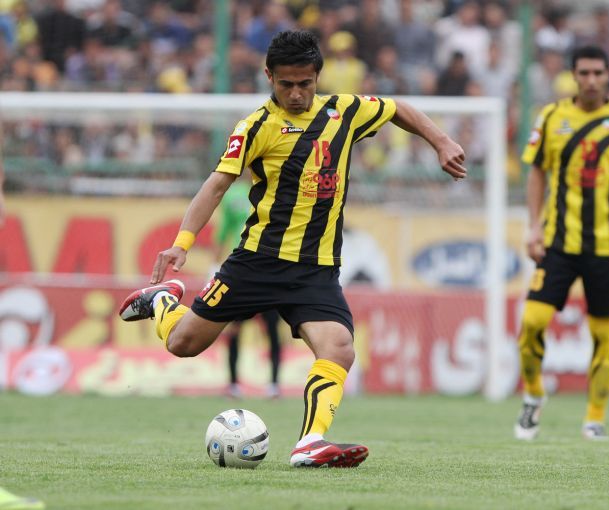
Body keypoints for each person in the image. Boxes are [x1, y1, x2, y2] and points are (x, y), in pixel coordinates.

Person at [118, 30, 466, 467]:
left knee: (339, 348)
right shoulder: (256, 127)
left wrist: (441, 141)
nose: (297, 93)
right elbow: (217, 184)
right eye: (287, 84)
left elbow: (398, 109)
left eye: (305, 83)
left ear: (318, 76)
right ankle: (162, 301)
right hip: (258, 262)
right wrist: (181, 244)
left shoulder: (345, 111)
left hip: (316, 269)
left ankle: (309, 442)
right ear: (269, 77)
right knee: (184, 344)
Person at [516, 45, 609, 441]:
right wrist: (534, 227)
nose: (591, 80)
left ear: (608, 75)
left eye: (598, 73)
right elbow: (537, 173)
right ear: (573, 76)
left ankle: (594, 418)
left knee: (603, 335)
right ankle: (533, 395)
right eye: (584, 73)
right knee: (531, 323)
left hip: (606, 246)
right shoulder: (552, 116)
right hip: (558, 242)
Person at [213, 179, 282, 399]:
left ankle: (274, 384)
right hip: (243, 269)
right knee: (234, 329)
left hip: (270, 269)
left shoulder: (275, 185)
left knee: (272, 330)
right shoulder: (233, 194)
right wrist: (215, 265)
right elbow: (224, 229)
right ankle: (233, 383)